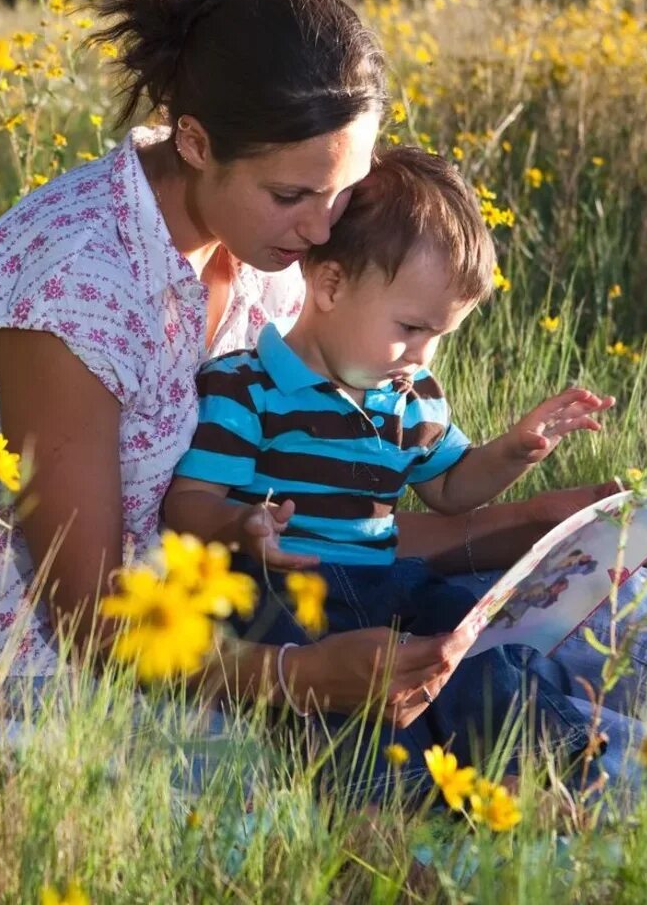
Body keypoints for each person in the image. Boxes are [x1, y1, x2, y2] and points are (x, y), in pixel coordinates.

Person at [0, 0, 647, 816]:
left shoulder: (270, 242)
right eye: (292, 195)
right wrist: (298, 678)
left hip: (281, 600)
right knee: (452, 736)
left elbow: (336, 527)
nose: (322, 230)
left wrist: (531, 529)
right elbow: (88, 622)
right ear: (194, 142)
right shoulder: (73, 284)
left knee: (605, 608)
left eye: (341, 192)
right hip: (94, 667)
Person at [160, 145, 612, 773]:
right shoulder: (245, 388)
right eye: (411, 327)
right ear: (331, 284)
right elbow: (189, 503)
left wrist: (513, 452)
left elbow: (451, 489)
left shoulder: (408, 395)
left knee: (464, 634)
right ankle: (381, 799)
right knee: (344, 701)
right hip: (285, 593)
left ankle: (543, 765)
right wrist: (239, 526)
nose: (422, 356)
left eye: (438, 337)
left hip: (386, 579)